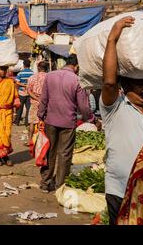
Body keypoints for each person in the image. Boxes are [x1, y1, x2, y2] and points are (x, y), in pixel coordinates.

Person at [99, 16, 143, 225]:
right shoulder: (114, 108)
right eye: (139, 84)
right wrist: (112, 39)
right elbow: (109, 82)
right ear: (125, 85)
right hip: (119, 188)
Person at [37, 54, 90, 193]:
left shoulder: (50, 76)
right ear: (76, 66)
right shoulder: (77, 80)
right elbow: (83, 106)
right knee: (64, 154)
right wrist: (89, 119)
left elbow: (44, 99)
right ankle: (60, 186)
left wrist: (40, 115)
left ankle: (45, 182)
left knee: (50, 151)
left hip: (50, 120)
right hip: (68, 122)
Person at [26, 61, 48, 147]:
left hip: (34, 103)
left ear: (38, 68)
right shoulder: (49, 77)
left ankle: (30, 140)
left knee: (32, 122)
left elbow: (28, 91)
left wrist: (36, 98)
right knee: (45, 122)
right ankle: (45, 140)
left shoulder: (32, 77)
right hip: (46, 103)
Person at [14, 59, 34, 127]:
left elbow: (17, 82)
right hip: (29, 93)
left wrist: (23, 85)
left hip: (21, 92)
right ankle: (27, 123)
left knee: (20, 107)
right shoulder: (32, 73)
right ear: (29, 65)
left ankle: (17, 122)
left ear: (24, 65)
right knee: (28, 108)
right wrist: (27, 85)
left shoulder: (20, 73)